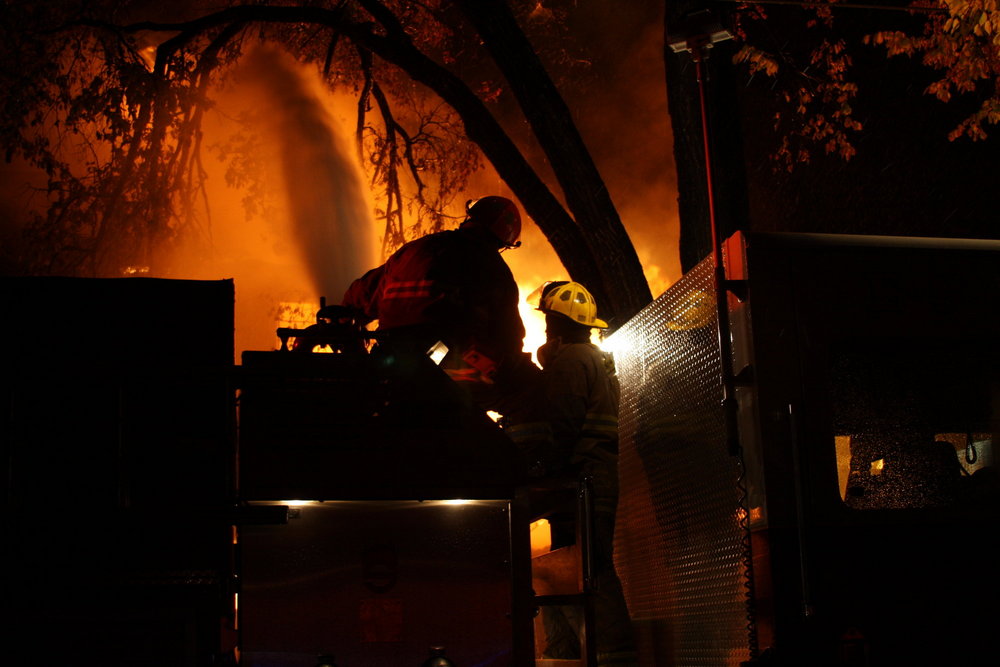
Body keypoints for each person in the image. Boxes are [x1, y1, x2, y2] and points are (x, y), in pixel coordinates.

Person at [341, 196, 536, 414]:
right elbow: (508, 333)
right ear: (504, 238)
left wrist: (343, 327)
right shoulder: (491, 266)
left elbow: (360, 296)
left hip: (388, 355)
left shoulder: (413, 250)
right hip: (444, 359)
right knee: (528, 393)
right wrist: (511, 367)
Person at [533, 280, 638, 666]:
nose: (545, 326)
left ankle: (612, 655)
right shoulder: (595, 359)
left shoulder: (572, 361)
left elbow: (562, 424)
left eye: (548, 319)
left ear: (557, 323)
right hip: (594, 479)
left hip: (581, 481)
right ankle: (566, 652)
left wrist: (539, 469)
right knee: (569, 567)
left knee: (590, 567)